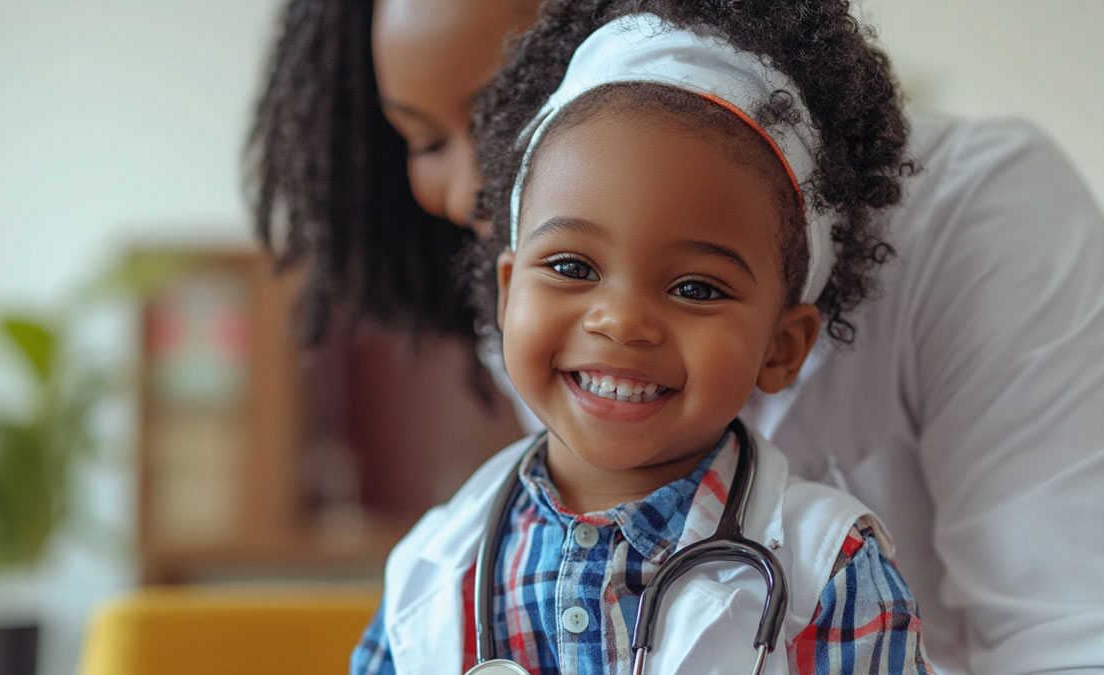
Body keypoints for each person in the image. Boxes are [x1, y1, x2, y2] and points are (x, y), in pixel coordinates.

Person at [247, 0, 1104, 672]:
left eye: (501, 118)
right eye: (421, 138)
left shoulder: (837, 560)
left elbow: (1082, 637)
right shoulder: (447, 551)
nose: (479, 193)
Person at [351, 9, 934, 673]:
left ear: (782, 345)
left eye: (696, 288)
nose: (622, 321)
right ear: (509, 291)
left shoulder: (834, 576)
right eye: (572, 267)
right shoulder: (435, 568)